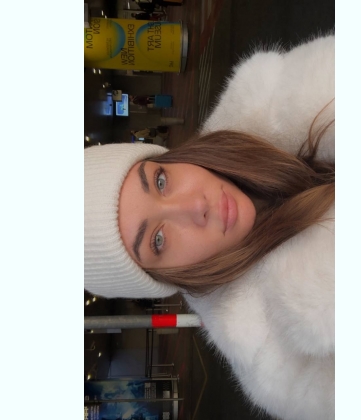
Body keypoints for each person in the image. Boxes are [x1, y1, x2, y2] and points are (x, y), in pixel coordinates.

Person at [85, 34, 335, 420]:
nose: (194, 207)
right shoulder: (284, 365)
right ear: (167, 277)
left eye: (161, 181)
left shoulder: (281, 96)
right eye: (158, 239)